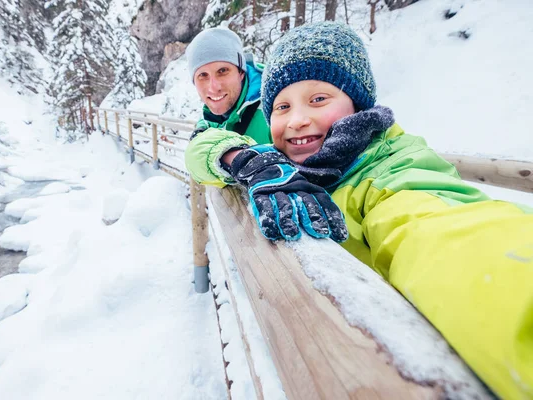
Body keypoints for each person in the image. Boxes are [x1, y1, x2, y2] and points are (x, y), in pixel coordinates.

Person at [186, 21, 533, 400]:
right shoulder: (296, 157)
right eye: (283, 107)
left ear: (358, 104)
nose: (298, 119)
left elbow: (437, 228)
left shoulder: (385, 172)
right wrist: (242, 159)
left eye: (318, 99)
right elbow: (201, 145)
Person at [184, 27, 271, 187]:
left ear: (241, 72)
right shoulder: (211, 119)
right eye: (203, 75)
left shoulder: (274, 106)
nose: (213, 87)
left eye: (222, 71)